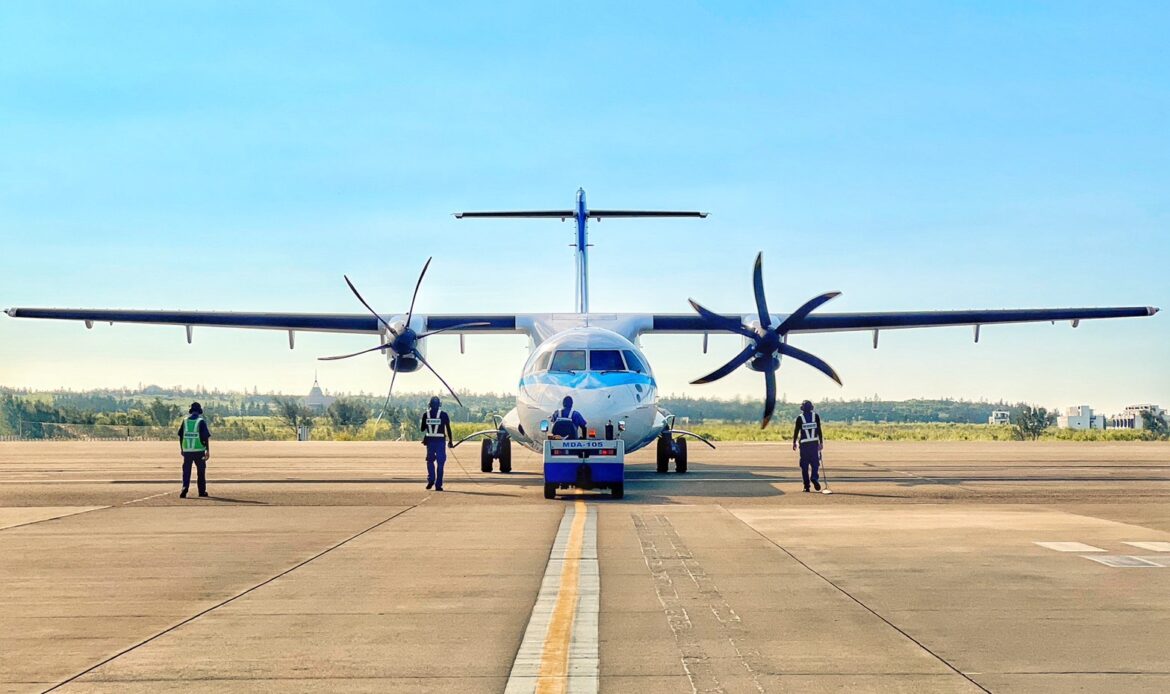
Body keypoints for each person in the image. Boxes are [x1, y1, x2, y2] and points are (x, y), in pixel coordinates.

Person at [419, 396, 453, 491]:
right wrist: (450, 441)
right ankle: (438, 485)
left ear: (429, 405)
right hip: (440, 442)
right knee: (440, 463)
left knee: (430, 461)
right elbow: (448, 429)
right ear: (439, 405)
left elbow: (422, 429)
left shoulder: (426, 415)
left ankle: (431, 479)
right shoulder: (444, 415)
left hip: (430, 442)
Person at [178, 402, 210, 498]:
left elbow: (181, 436)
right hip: (199, 450)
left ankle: (184, 487)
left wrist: (182, 449)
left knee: (186, 471)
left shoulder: (185, 421)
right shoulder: (201, 421)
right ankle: (201, 491)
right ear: (199, 411)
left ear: (191, 411)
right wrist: (208, 451)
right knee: (201, 471)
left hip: (187, 451)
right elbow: (205, 437)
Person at [791, 400, 823, 492]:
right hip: (814, 444)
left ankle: (806, 486)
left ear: (802, 408)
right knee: (815, 464)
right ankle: (814, 477)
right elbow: (819, 430)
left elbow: (796, 431)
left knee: (804, 466)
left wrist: (794, 442)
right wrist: (821, 442)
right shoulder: (815, 416)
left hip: (804, 445)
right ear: (812, 408)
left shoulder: (799, 418)